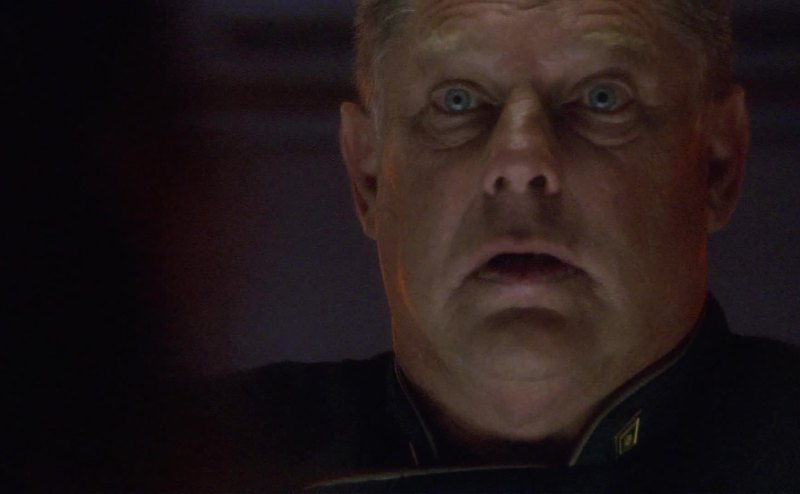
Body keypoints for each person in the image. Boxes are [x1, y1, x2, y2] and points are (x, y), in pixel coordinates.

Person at [170, 1, 800, 492]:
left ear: (717, 162)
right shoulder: (185, 463)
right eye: (457, 101)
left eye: (602, 98)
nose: (520, 161)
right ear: (367, 176)